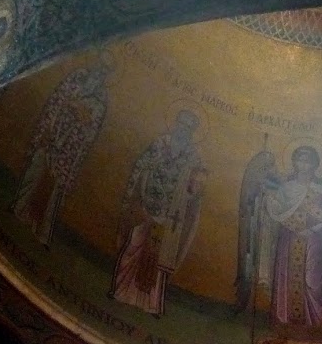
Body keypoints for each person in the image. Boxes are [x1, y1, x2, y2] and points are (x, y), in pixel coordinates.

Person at [258, 145, 322, 344]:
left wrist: (314, 228)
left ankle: (321, 334)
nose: (304, 164)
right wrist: (266, 200)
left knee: (313, 283)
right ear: (294, 163)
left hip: (314, 239)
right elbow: (277, 212)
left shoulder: (321, 191)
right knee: (285, 282)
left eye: (308, 160)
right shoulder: (286, 188)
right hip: (289, 239)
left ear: (316, 164)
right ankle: (282, 332)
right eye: (300, 160)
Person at [110, 109, 206, 316]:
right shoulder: (159, 144)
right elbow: (139, 168)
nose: (183, 130)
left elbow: (195, 190)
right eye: (181, 125)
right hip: (145, 208)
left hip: (169, 219)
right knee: (133, 248)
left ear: (192, 132)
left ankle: (151, 304)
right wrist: (134, 198)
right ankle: (121, 292)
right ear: (175, 124)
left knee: (159, 261)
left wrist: (192, 189)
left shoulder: (194, 158)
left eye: (188, 128)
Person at [12, 62, 111, 245]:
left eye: (105, 71)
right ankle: (18, 208)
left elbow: (91, 128)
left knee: (55, 191)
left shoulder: (101, 99)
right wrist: (48, 127)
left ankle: (43, 234)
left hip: (69, 150)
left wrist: (78, 111)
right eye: (100, 66)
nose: (100, 73)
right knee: (35, 169)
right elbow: (57, 100)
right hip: (52, 133)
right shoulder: (77, 78)